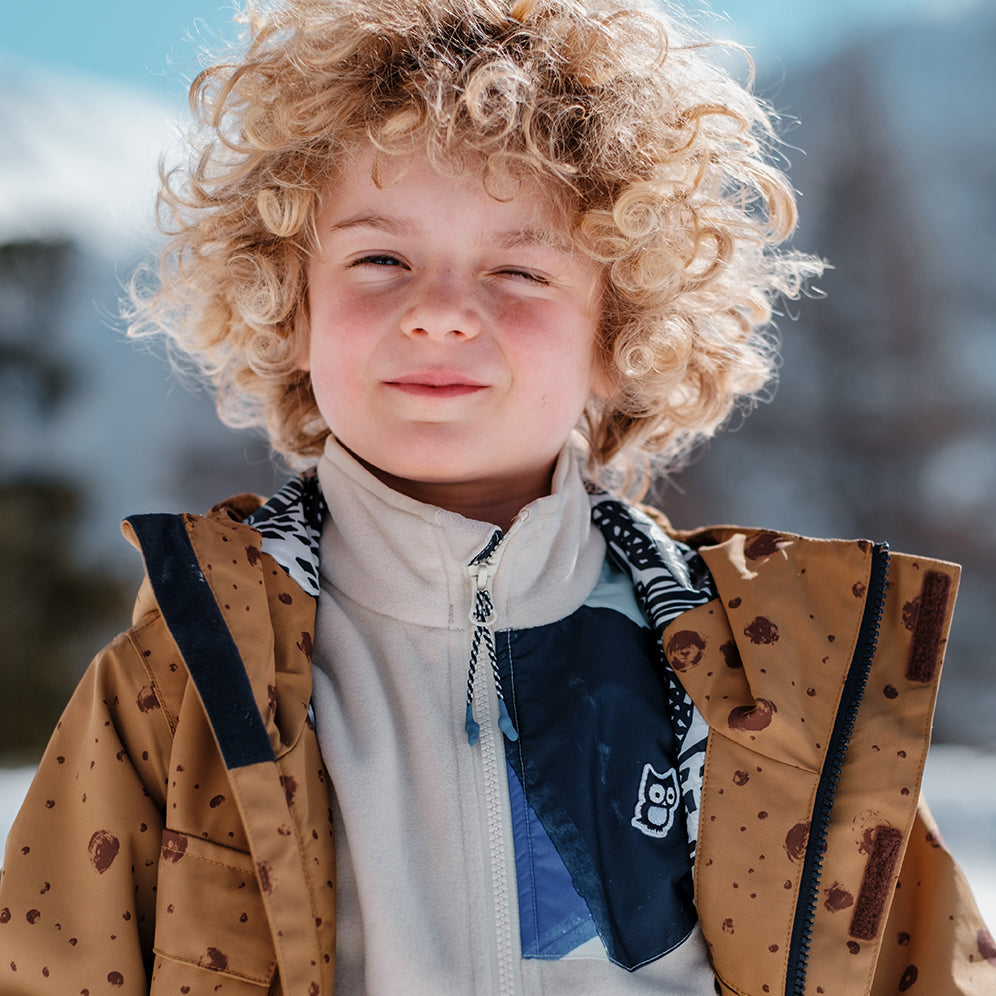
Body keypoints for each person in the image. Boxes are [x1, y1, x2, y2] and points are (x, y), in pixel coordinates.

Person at [0, 0, 990, 992]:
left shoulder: (776, 675)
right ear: (288, 304)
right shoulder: (183, 678)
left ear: (619, 335)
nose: (438, 313)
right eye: (380, 258)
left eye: (519, 269)